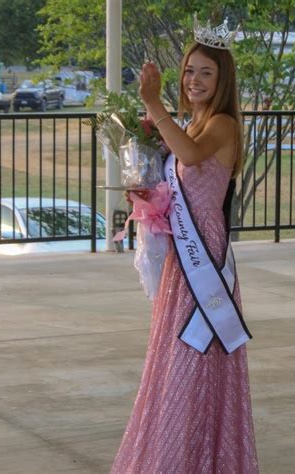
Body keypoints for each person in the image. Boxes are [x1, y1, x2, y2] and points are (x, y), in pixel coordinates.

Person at [110, 17, 259, 473]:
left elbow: (192, 159)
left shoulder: (223, 125)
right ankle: (175, 451)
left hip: (204, 256)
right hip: (182, 253)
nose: (195, 80)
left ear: (223, 80)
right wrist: (149, 193)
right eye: (190, 71)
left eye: (206, 73)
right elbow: (181, 180)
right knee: (173, 353)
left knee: (194, 355)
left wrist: (153, 105)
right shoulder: (193, 122)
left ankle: (197, 457)